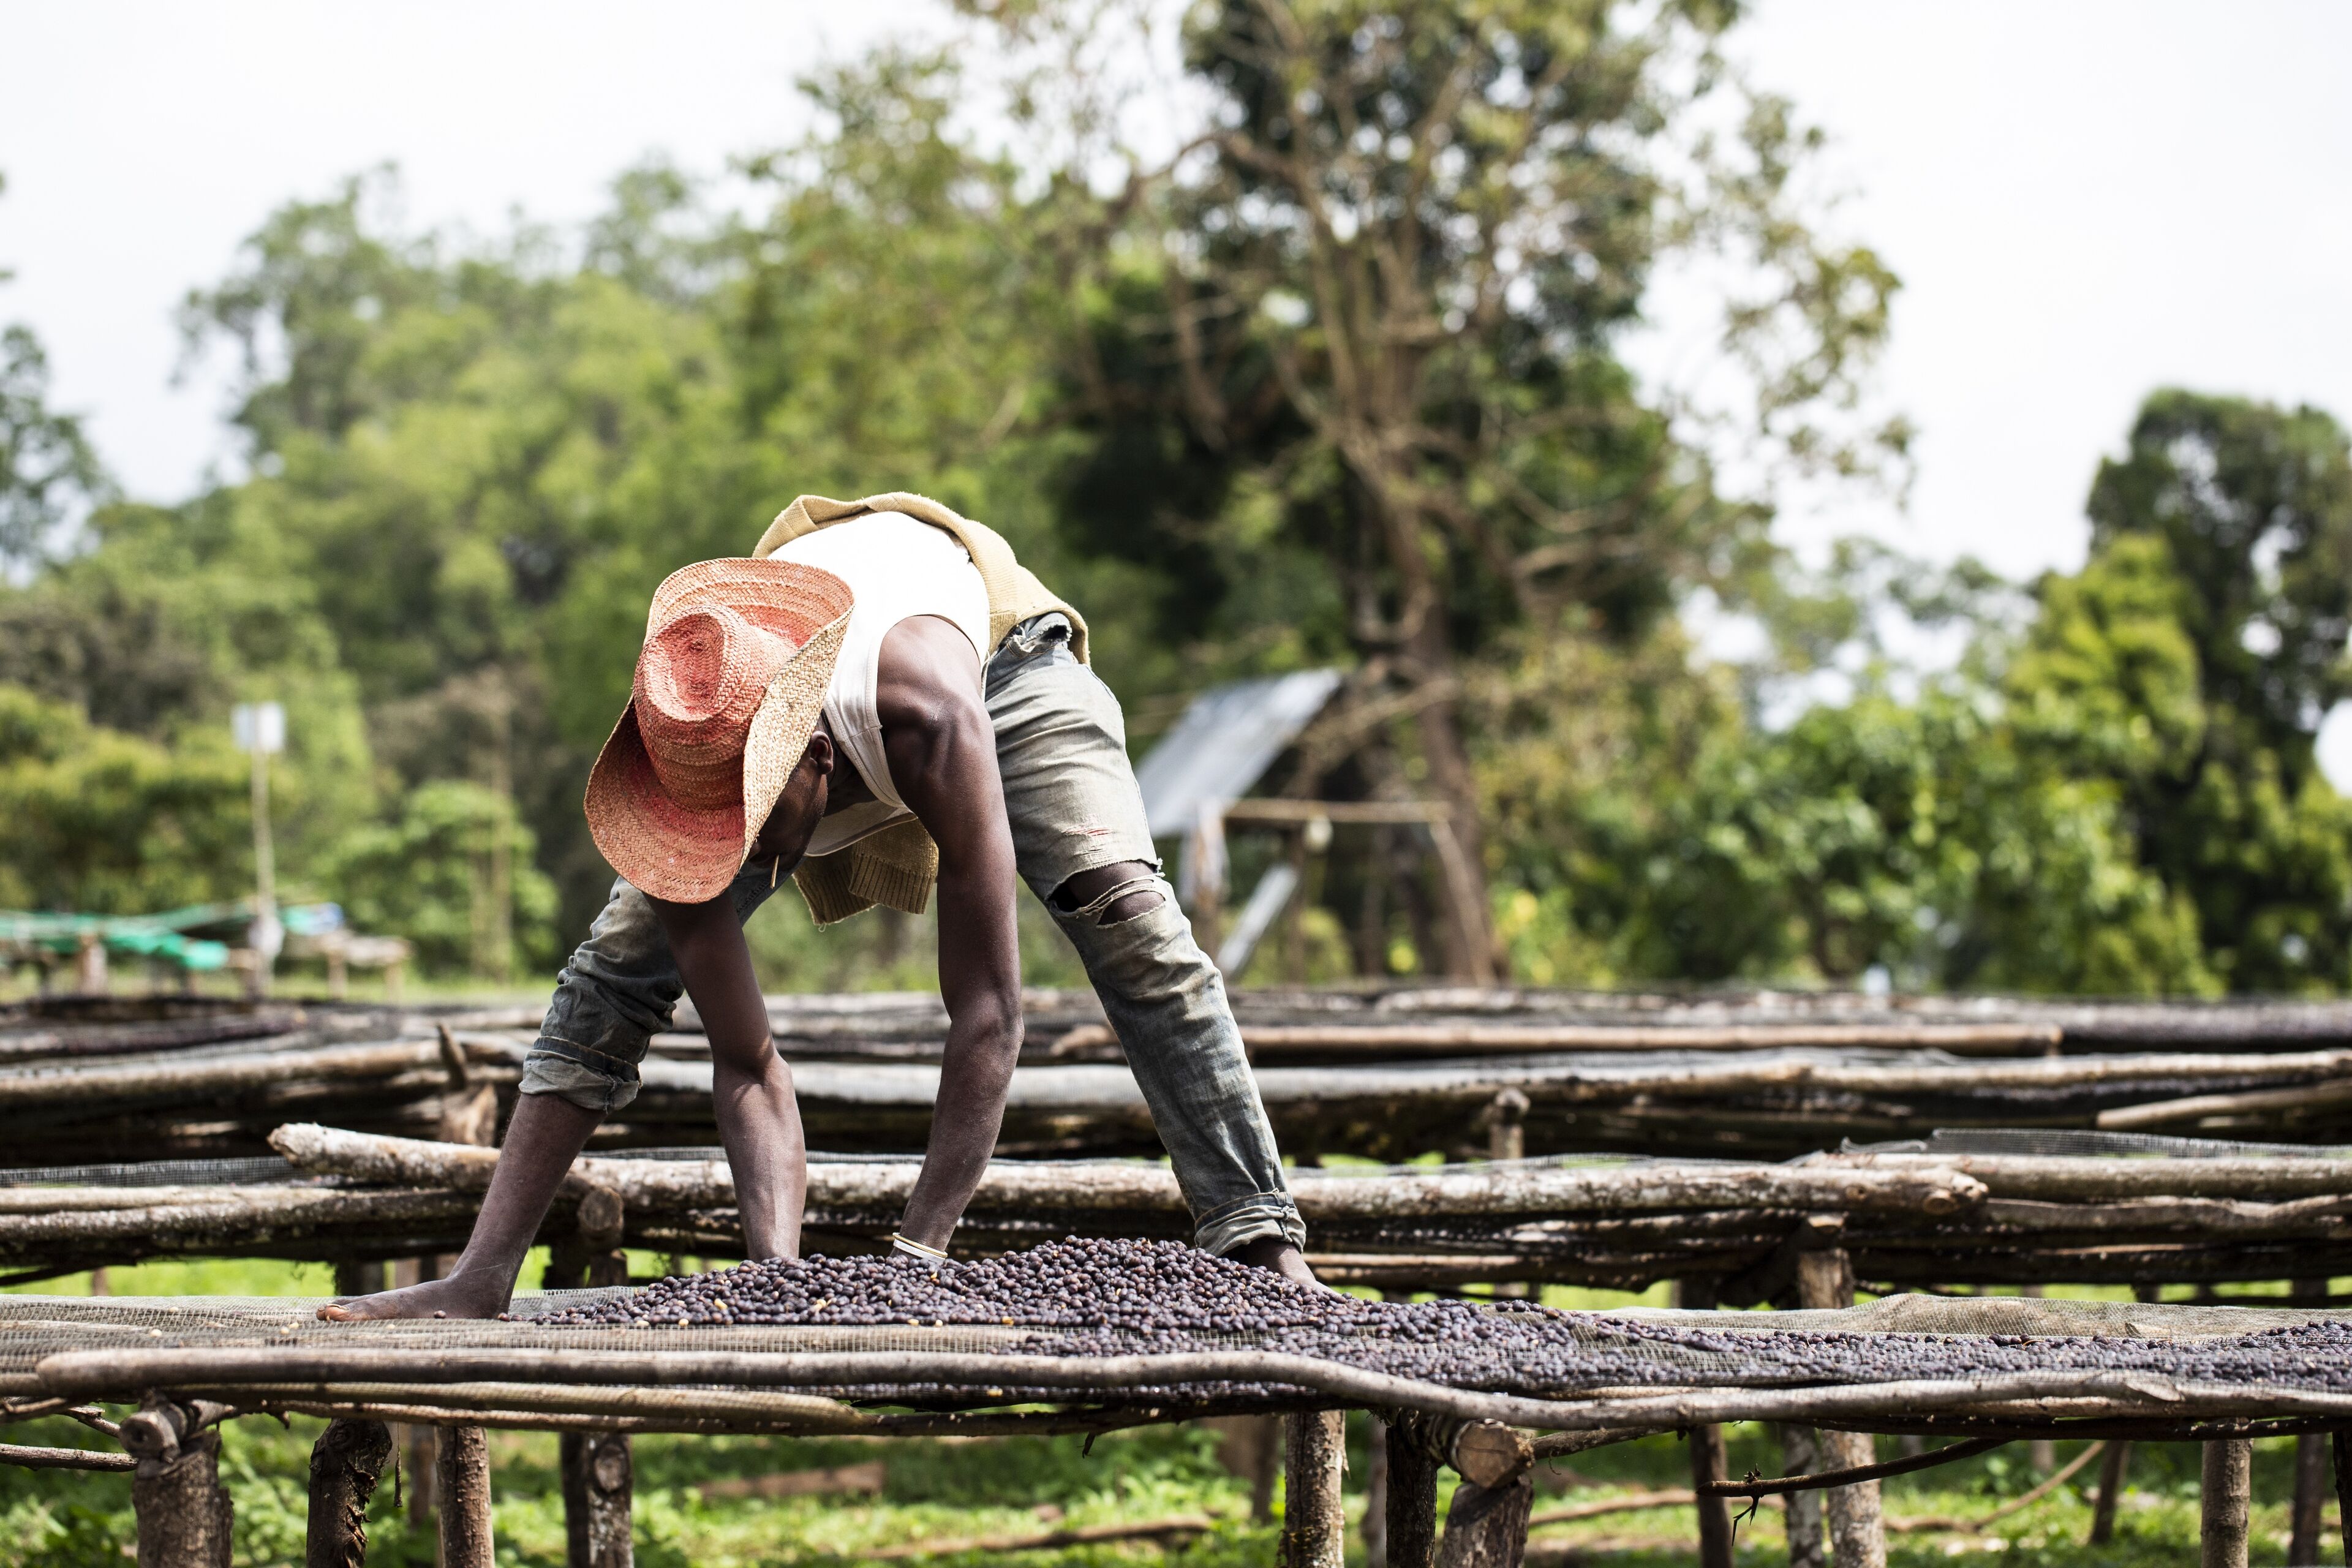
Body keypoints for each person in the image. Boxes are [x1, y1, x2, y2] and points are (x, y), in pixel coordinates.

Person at [323, 491, 1311, 1321]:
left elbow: (989, 1014)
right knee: (614, 965)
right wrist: (776, 1285)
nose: (737, 851)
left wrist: (914, 1261)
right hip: (806, 667)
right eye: (715, 826)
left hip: (1005, 663)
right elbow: (748, 1063)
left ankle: (1262, 1240)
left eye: (753, 822)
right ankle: (483, 1273)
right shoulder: (699, 735)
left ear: (820, 765)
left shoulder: (936, 717)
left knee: (1130, 919)